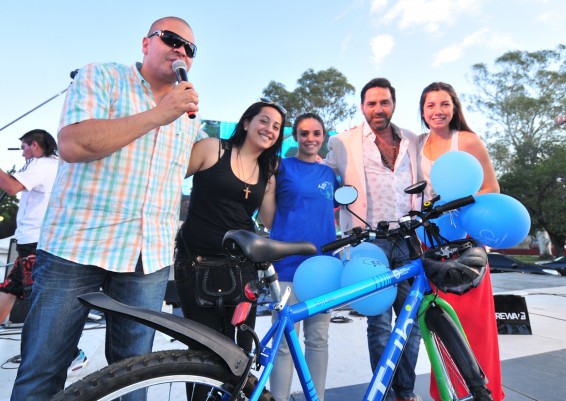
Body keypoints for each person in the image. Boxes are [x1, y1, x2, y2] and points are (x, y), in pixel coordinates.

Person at [11, 17, 204, 401]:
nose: (181, 49)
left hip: (146, 259)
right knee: (43, 372)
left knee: (134, 377)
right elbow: (72, 144)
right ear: (145, 43)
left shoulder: (187, 111)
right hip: (75, 248)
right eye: (171, 39)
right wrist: (159, 113)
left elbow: (195, 164)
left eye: (190, 48)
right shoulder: (103, 77)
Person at [174, 99, 284, 401]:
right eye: (264, 121)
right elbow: (167, 180)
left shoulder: (267, 172)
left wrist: (286, 185)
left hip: (242, 270)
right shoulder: (213, 148)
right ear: (247, 123)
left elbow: (268, 219)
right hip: (196, 264)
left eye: (276, 127)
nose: (269, 129)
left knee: (239, 351)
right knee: (202, 352)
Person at [324, 78, 422, 401]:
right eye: (371, 103)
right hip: (369, 243)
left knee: (412, 322)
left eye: (384, 102)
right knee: (379, 325)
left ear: (393, 104)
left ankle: (405, 393)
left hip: (409, 241)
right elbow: (322, 180)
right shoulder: (343, 142)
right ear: (362, 106)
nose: (378, 109)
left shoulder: (411, 140)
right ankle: (385, 391)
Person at [417, 81, 504, 400]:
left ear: (454, 108)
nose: (437, 111)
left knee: (474, 324)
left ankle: (486, 392)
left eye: (444, 104)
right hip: (431, 244)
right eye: (430, 105)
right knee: (439, 323)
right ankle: (446, 392)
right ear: (423, 111)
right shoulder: (419, 144)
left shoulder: (467, 140)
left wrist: (459, 206)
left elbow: (491, 188)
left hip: (466, 244)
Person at [0, 130, 89, 375]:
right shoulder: (50, 164)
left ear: (36, 145)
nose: (22, 152)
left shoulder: (41, 164)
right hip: (32, 241)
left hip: (36, 242)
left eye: (24, 147)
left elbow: (11, 187)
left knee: (39, 301)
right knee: (9, 289)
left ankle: (72, 354)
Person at [266, 113, 339, 401]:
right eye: (304, 133)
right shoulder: (281, 167)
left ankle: (315, 398)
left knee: (318, 340)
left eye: (316, 133)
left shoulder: (331, 174)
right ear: (295, 137)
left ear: (323, 137)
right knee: (284, 343)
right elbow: (268, 214)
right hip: (286, 267)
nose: (310, 139)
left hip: (323, 268)